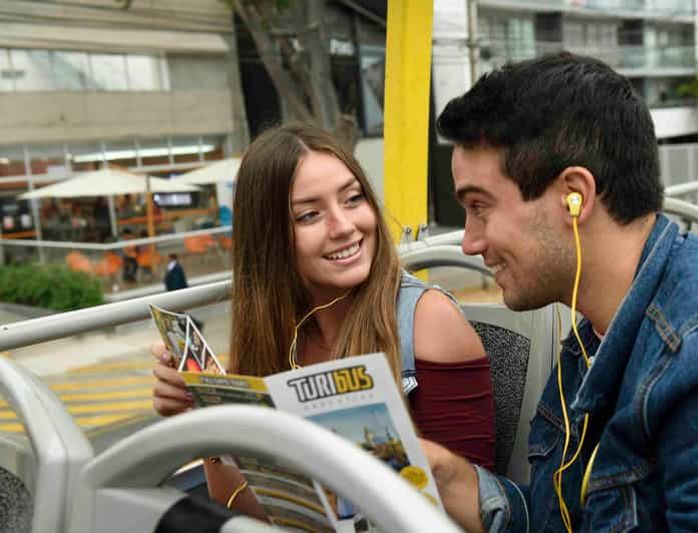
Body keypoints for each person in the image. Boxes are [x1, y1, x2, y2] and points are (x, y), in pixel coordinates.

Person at [422, 52, 698, 532]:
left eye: (480, 206)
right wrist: (444, 474)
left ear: (573, 195)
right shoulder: (596, 333)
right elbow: (566, 518)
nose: (471, 242)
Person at [151, 124, 495, 516]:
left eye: (353, 199)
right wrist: (206, 421)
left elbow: (476, 512)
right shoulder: (270, 334)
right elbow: (249, 508)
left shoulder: (427, 321)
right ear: (268, 238)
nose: (345, 226)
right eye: (309, 215)